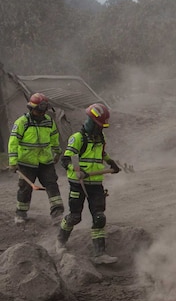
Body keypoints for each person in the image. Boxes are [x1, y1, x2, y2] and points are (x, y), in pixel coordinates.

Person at [56, 103, 122, 264]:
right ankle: (60, 242)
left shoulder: (101, 138)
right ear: (91, 121)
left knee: (99, 217)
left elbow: (102, 153)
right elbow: (65, 160)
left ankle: (100, 254)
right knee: (74, 217)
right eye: (99, 125)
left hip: (96, 184)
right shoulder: (77, 138)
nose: (101, 129)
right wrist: (76, 170)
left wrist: (111, 162)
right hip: (78, 183)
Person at [7, 93, 64, 224]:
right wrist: (13, 162)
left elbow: (54, 138)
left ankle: (57, 214)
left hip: (45, 161)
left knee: (52, 185)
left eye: (43, 111)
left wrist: (57, 152)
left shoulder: (49, 121)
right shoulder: (22, 122)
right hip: (26, 162)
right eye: (39, 111)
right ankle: (21, 214)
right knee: (25, 188)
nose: (41, 113)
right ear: (31, 109)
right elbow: (13, 143)